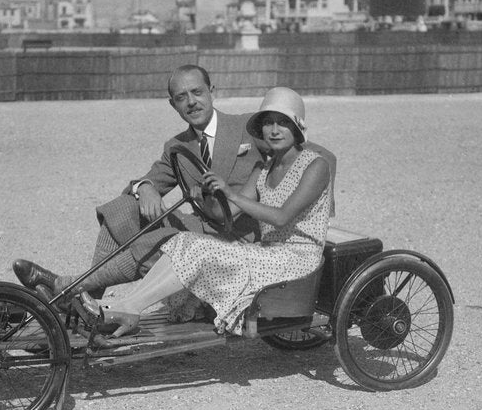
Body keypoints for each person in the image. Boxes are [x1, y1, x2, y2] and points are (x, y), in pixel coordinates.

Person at [81, 86, 334, 337]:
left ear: (298, 127)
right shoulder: (264, 168)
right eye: (268, 123)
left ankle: (125, 305)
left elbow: (281, 217)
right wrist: (205, 194)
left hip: (297, 260)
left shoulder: (315, 166)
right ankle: (128, 305)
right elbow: (229, 211)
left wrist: (231, 192)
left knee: (199, 249)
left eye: (283, 122)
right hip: (267, 254)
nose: (275, 130)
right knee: (184, 240)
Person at [13, 64, 266, 299]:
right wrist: (145, 187)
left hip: (242, 237)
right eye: (181, 97)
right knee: (124, 208)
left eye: (197, 92)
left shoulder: (247, 126)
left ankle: (70, 288)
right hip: (201, 230)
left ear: (212, 92)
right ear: (172, 105)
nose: (191, 102)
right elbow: (148, 179)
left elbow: (290, 150)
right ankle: (84, 297)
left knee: (156, 242)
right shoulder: (177, 146)